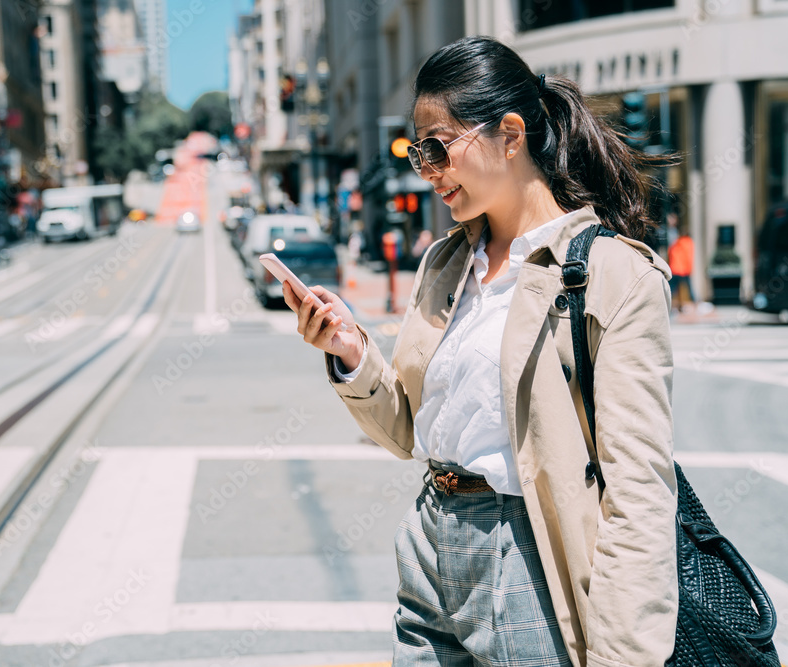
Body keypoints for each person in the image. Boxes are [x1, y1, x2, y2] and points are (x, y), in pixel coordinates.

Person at [284, 36, 678, 667]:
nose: (428, 170)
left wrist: (626, 656)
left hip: (526, 550)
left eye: (438, 148)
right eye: (418, 153)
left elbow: (639, 491)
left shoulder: (612, 274)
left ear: (511, 134)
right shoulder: (446, 264)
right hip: (430, 541)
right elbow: (412, 430)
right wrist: (351, 352)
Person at [667, 220, 695, 312]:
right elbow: (689, 257)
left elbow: (671, 251)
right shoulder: (689, 242)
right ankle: (693, 305)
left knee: (671, 289)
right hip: (685, 270)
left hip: (676, 269)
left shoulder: (677, 242)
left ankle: (669, 305)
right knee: (689, 288)